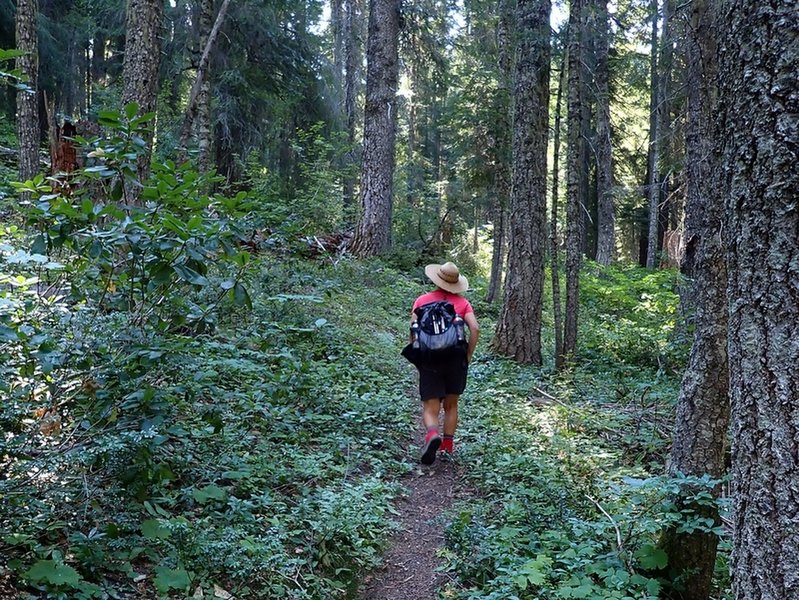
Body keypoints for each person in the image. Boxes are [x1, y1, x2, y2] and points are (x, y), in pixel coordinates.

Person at [410, 262, 479, 465]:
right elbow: (475, 329)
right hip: (455, 359)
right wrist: (468, 354)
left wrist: (418, 355)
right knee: (451, 405)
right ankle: (447, 447)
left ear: (436, 279)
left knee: (430, 406)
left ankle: (432, 435)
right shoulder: (463, 303)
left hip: (430, 358)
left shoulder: (422, 300)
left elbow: (413, 329)